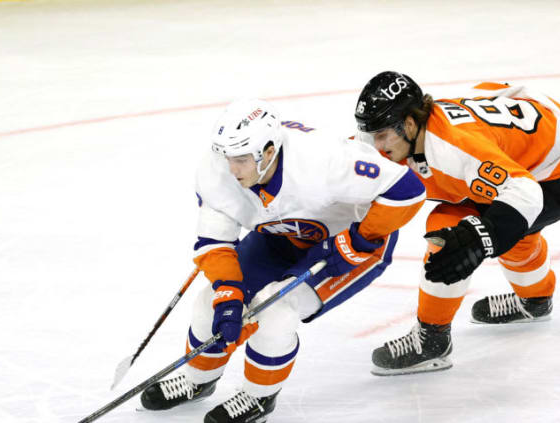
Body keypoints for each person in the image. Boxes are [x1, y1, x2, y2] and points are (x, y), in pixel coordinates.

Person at [138, 98, 426, 422]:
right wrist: (229, 291)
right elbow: (214, 242)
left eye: (242, 160)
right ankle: (197, 380)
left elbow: (407, 190)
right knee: (211, 303)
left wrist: (359, 239)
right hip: (282, 235)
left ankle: (259, 398)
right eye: (227, 157)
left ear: (269, 152)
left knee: (275, 310)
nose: (232, 170)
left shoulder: (323, 160)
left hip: (347, 244)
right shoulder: (218, 169)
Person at [353, 71, 560, 375]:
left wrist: (481, 237)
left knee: (450, 237)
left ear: (409, 124)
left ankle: (432, 342)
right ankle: (536, 301)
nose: (376, 145)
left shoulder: (454, 150)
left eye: (382, 134)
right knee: (516, 235)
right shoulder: (412, 133)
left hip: (557, 175)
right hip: (532, 129)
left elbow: (526, 192)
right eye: (370, 135)